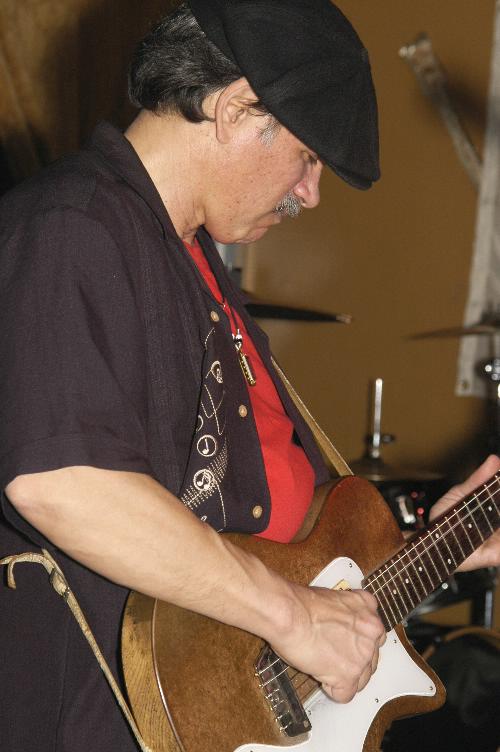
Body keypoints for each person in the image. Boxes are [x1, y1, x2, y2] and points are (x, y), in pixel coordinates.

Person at [0, 2, 499, 750]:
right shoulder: (72, 227)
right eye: (308, 158)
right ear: (235, 110)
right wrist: (293, 619)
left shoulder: (197, 267)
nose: (310, 193)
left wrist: (438, 543)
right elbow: (62, 483)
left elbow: (262, 538)